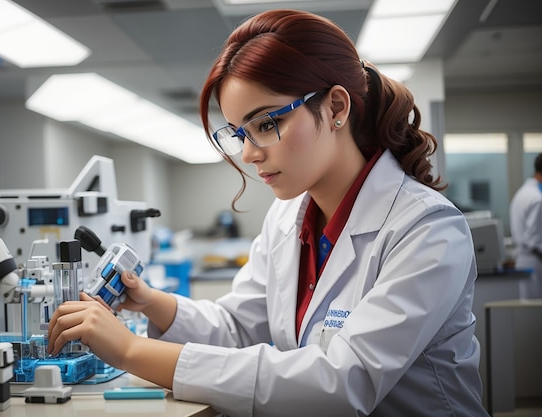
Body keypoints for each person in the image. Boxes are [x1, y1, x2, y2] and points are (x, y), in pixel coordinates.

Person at [47, 9, 489, 417]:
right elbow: (241, 327)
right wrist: (154, 304)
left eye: (266, 124)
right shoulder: (288, 219)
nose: (249, 153)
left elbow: (341, 383)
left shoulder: (426, 228)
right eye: (238, 133)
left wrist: (130, 351)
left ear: (336, 107)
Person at [509, 153, 542, 299]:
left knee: (528, 310)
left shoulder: (523, 192)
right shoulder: (537, 199)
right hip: (534, 260)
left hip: (524, 259)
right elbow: (533, 241)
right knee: (534, 313)